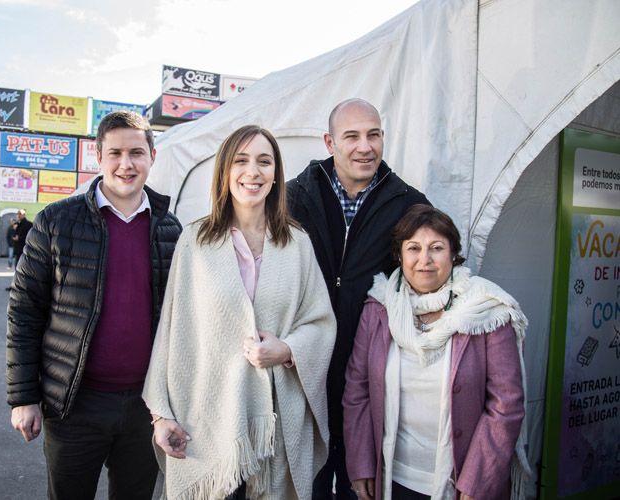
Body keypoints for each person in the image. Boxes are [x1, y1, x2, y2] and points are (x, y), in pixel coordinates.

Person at [143, 125, 336, 499]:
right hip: (207, 421)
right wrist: (161, 414)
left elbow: (321, 322)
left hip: (276, 427)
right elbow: (173, 331)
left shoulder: (297, 244)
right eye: (241, 161)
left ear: (276, 174)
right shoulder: (195, 241)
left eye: (264, 162)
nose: (253, 172)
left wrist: (289, 349)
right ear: (225, 171)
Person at [6, 110, 181, 499]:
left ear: (152, 156)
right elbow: (24, 311)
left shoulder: (171, 229)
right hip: (72, 405)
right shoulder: (56, 222)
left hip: (145, 407)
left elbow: (180, 321)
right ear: (98, 156)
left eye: (137, 152)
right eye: (115, 153)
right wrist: (23, 397)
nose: (126, 164)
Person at [286, 98, 430, 498]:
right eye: (352, 136)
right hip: (302, 366)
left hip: (369, 374)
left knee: (360, 481)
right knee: (304, 480)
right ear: (330, 142)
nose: (364, 146)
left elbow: (428, 280)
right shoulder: (292, 197)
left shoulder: (409, 204)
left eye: (374, 135)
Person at [343, 205, 530, 500]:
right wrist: (361, 462)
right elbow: (357, 390)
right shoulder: (379, 309)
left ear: (453, 254)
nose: (424, 260)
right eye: (413, 248)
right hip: (392, 478)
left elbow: (506, 405)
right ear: (400, 255)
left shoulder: (486, 310)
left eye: (436, 248)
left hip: (460, 483)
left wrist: (477, 482)